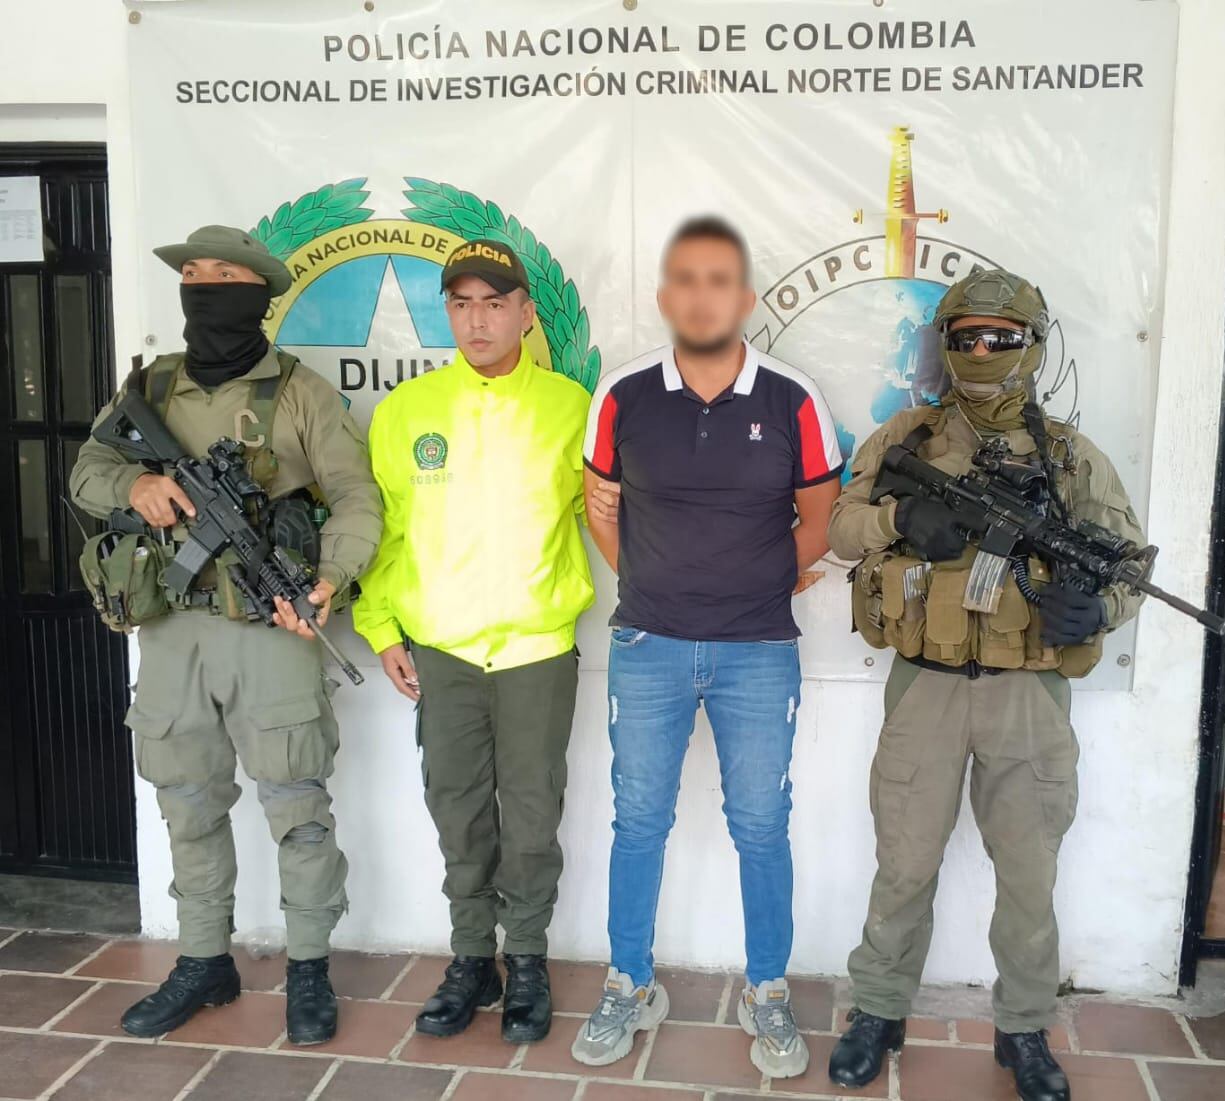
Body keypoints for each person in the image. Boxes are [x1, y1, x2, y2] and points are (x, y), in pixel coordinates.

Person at [825, 269, 1146, 1101]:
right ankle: (880, 1009)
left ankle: (1025, 1027)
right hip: (924, 688)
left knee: (1028, 872)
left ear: (1033, 346)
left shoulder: (1072, 457)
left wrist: (1098, 608)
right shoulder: (909, 436)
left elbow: (1132, 569)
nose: (982, 351)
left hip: (1027, 695)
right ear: (947, 343)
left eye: (1002, 337)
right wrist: (903, 519)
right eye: (966, 336)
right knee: (903, 862)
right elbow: (838, 528)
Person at [70, 225, 382, 1044]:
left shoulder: (301, 392)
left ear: (258, 293)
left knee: (297, 803)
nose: (204, 288)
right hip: (171, 632)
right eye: (193, 276)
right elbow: (86, 472)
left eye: (224, 277)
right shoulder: (150, 387)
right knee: (186, 801)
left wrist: (327, 581)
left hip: (272, 629)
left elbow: (357, 498)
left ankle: (308, 967)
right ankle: (203, 959)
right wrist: (137, 481)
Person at [570, 217, 843, 1079]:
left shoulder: (792, 399)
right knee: (638, 819)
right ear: (665, 298)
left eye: (718, 280)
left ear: (746, 298)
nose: (701, 295)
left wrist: (755, 586)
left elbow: (820, 519)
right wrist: (656, 584)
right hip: (647, 643)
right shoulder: (623, 395)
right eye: (684, 280)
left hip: (758, 651)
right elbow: (599, 507)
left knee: (761, 824)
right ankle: (629, 980)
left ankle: (767, 988)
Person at [353, 239, 593, 1044]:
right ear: (446, 313)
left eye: (495, 303)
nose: (478, 318)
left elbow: (609, 519)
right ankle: (470, 959)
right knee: (457, 813)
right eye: (461, 303)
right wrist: (382, 628)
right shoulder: (406, 412)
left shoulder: (573, 408)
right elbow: (386, 535)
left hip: (535, 651)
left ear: (527, 312)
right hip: (444, 654)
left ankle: (525, 958)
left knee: (530, 817)